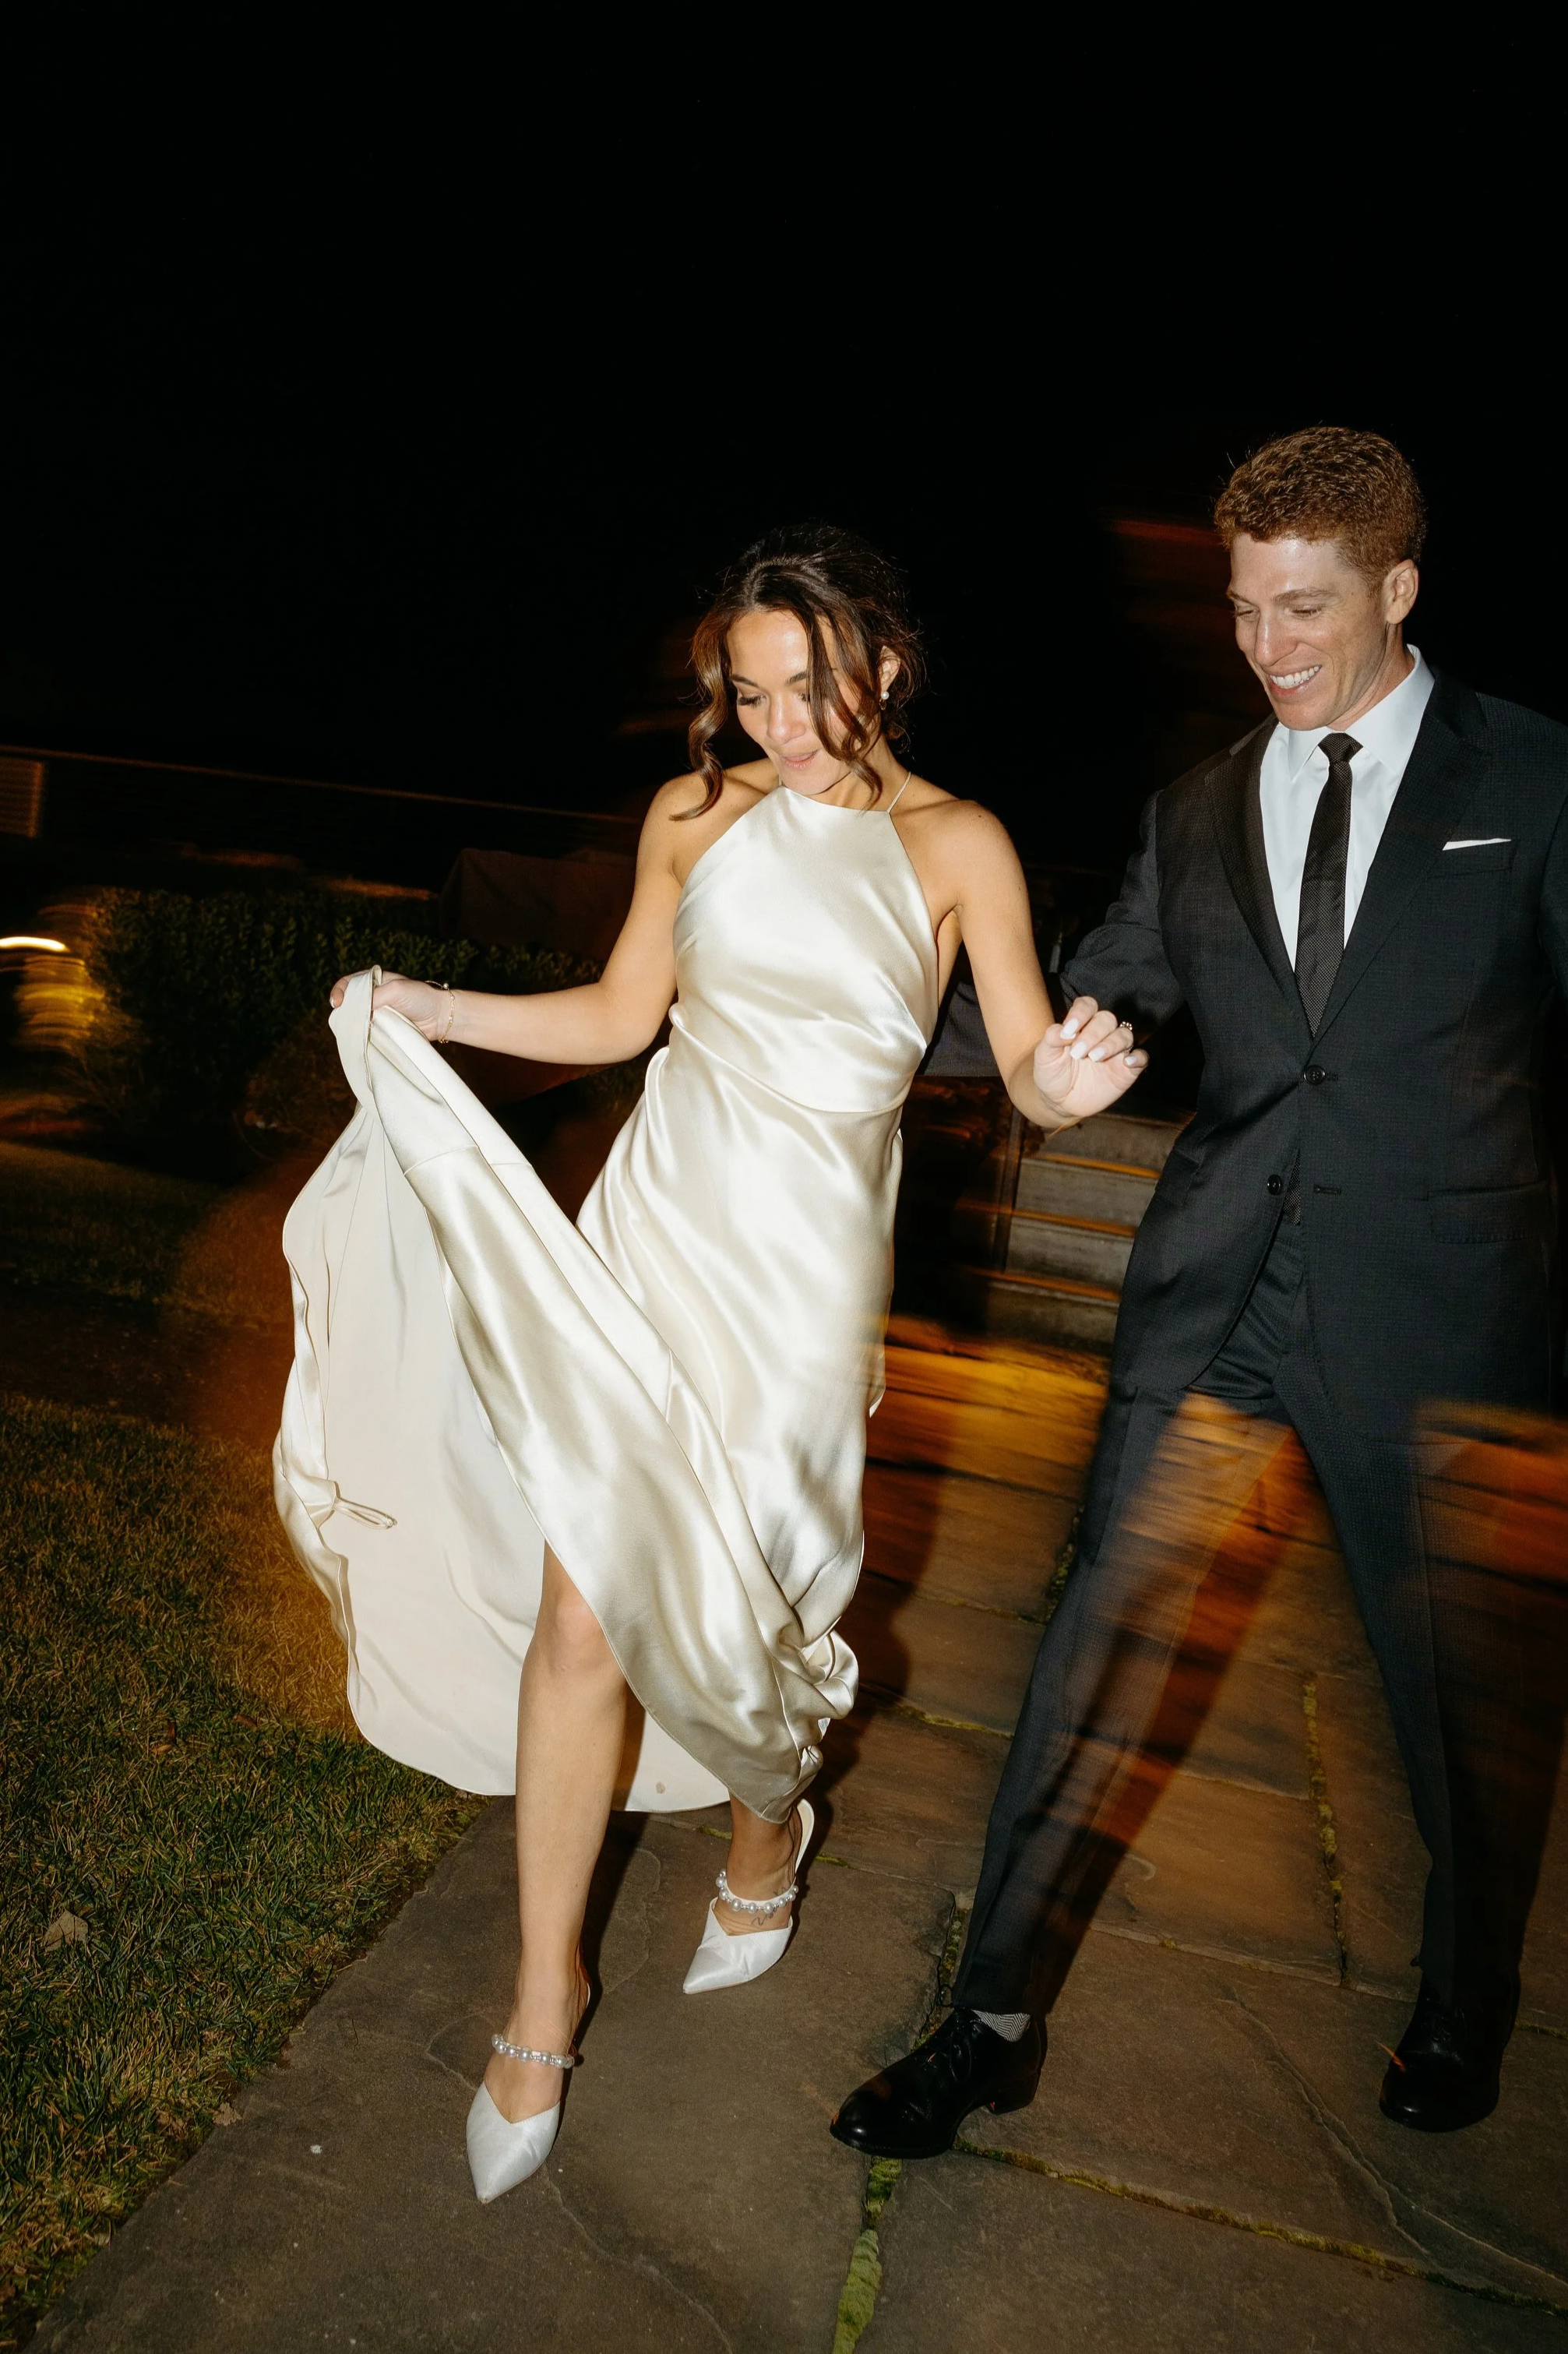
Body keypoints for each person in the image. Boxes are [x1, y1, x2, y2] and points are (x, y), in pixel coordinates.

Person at [275, 524, 1140, 2203]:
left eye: (810, 689)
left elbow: (1026, 1064)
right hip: (658, 1227)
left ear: (882, 667)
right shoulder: (693, 817)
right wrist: (429, 1006)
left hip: (809, 1276)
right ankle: (544, 1997)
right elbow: (618, 1016)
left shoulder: (960, 843)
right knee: (585, 1595)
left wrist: (1072, 1078)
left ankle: (766, 1818)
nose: (782, 726)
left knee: (759, 1602)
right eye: (749, 694)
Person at [833, 425, 1568, 2162]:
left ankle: (1466, 1994)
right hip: (1216, 1300)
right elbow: (1081, 1007)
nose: (1268, 645)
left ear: (1396, 586)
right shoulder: (1191, 810)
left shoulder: (1535, 781)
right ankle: (990, 2016)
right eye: (1243, 609)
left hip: (1441, 1323)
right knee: (1093, 1648)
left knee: (1453, 1700)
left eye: (1305, 607)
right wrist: (865, 1019)